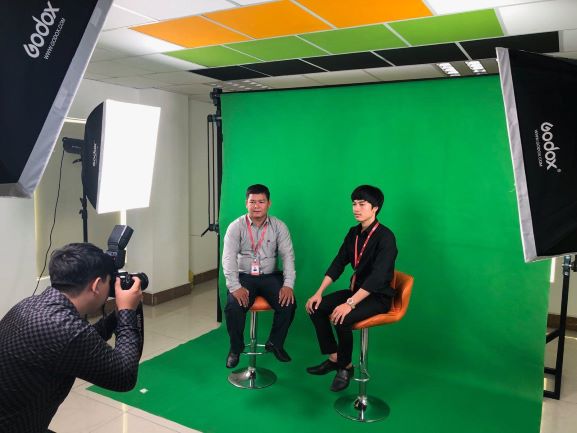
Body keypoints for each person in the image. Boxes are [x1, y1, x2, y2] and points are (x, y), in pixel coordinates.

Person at [0, 243, 143, 433]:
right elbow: (124, 377)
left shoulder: (30, 305)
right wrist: (127, 312)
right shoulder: (66, 329)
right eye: (110, 282)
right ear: (96, 285)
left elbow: (81, 345)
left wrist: (118, 315)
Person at [305, 185, 397, 392]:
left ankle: (345, 367)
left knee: (342, 318)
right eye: (354, 204)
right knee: (315, 307)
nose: (356, 208)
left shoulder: (386, 237)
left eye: (362, 204)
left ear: (375, 208)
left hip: (377, 297)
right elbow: (339, 262)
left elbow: (378, 278)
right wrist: (318, 292)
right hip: (355, 292)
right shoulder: (353, 233)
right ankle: (335, 357)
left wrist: (350, 304)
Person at [222, 184, 296, 368]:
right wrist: (235, 287)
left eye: (261, 202)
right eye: (252, 202)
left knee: (289, 303)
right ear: (246, 203)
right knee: (233, 306)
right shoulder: (236, 226)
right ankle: (235, 348)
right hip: (244, 277)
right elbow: (228, 258)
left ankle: (275, 343)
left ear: (269, 203)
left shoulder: (279, 226)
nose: (256, 206)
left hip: (270, 276)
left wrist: (288, 284)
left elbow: (288, 256)